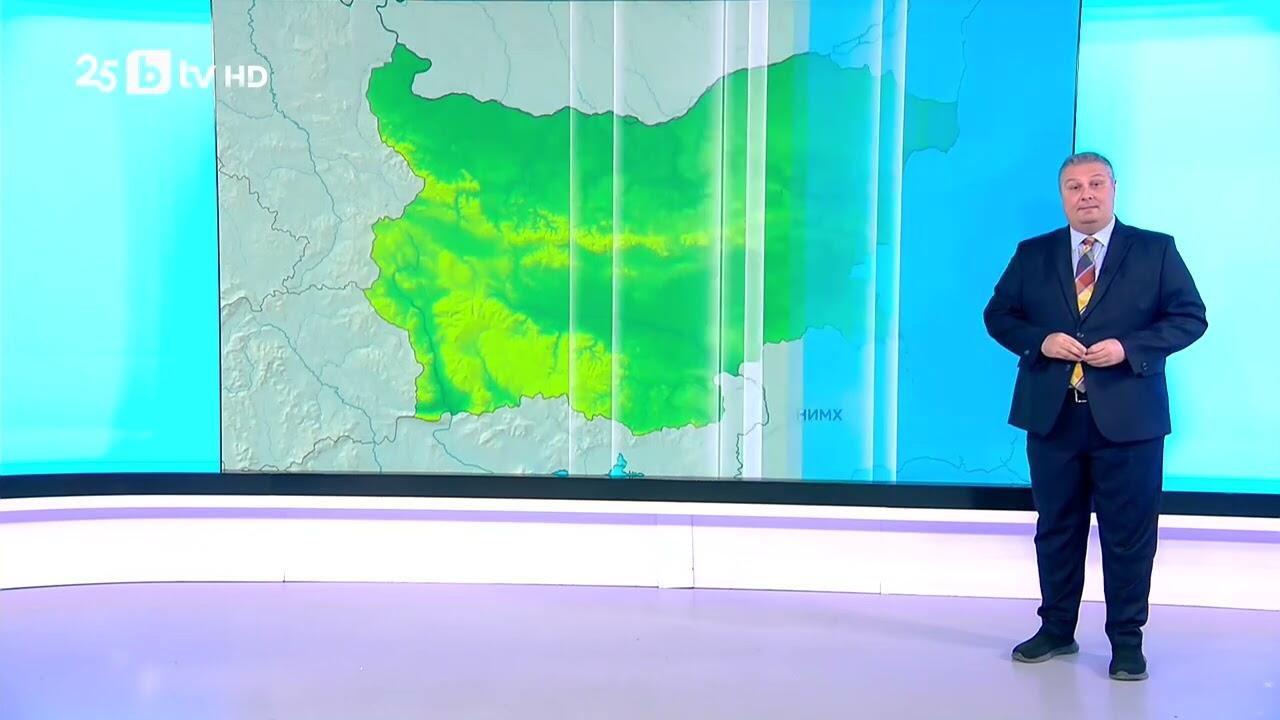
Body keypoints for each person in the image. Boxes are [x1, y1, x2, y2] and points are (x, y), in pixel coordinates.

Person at [983, 152, 1207, 681]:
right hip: (1053, 418)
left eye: (1096, 183)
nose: (1086, 193)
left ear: (1113, 188)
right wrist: (1041, 340)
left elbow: (1190, 317)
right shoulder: (1033, 253)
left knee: (1128, 534)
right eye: (1074, 186)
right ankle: (1057, 629)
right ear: (1063, 195)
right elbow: (998, 315)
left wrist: (1129, 349)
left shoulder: (1155, 250)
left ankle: (1127, 642)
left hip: (1130, 421)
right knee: (1057, 528)